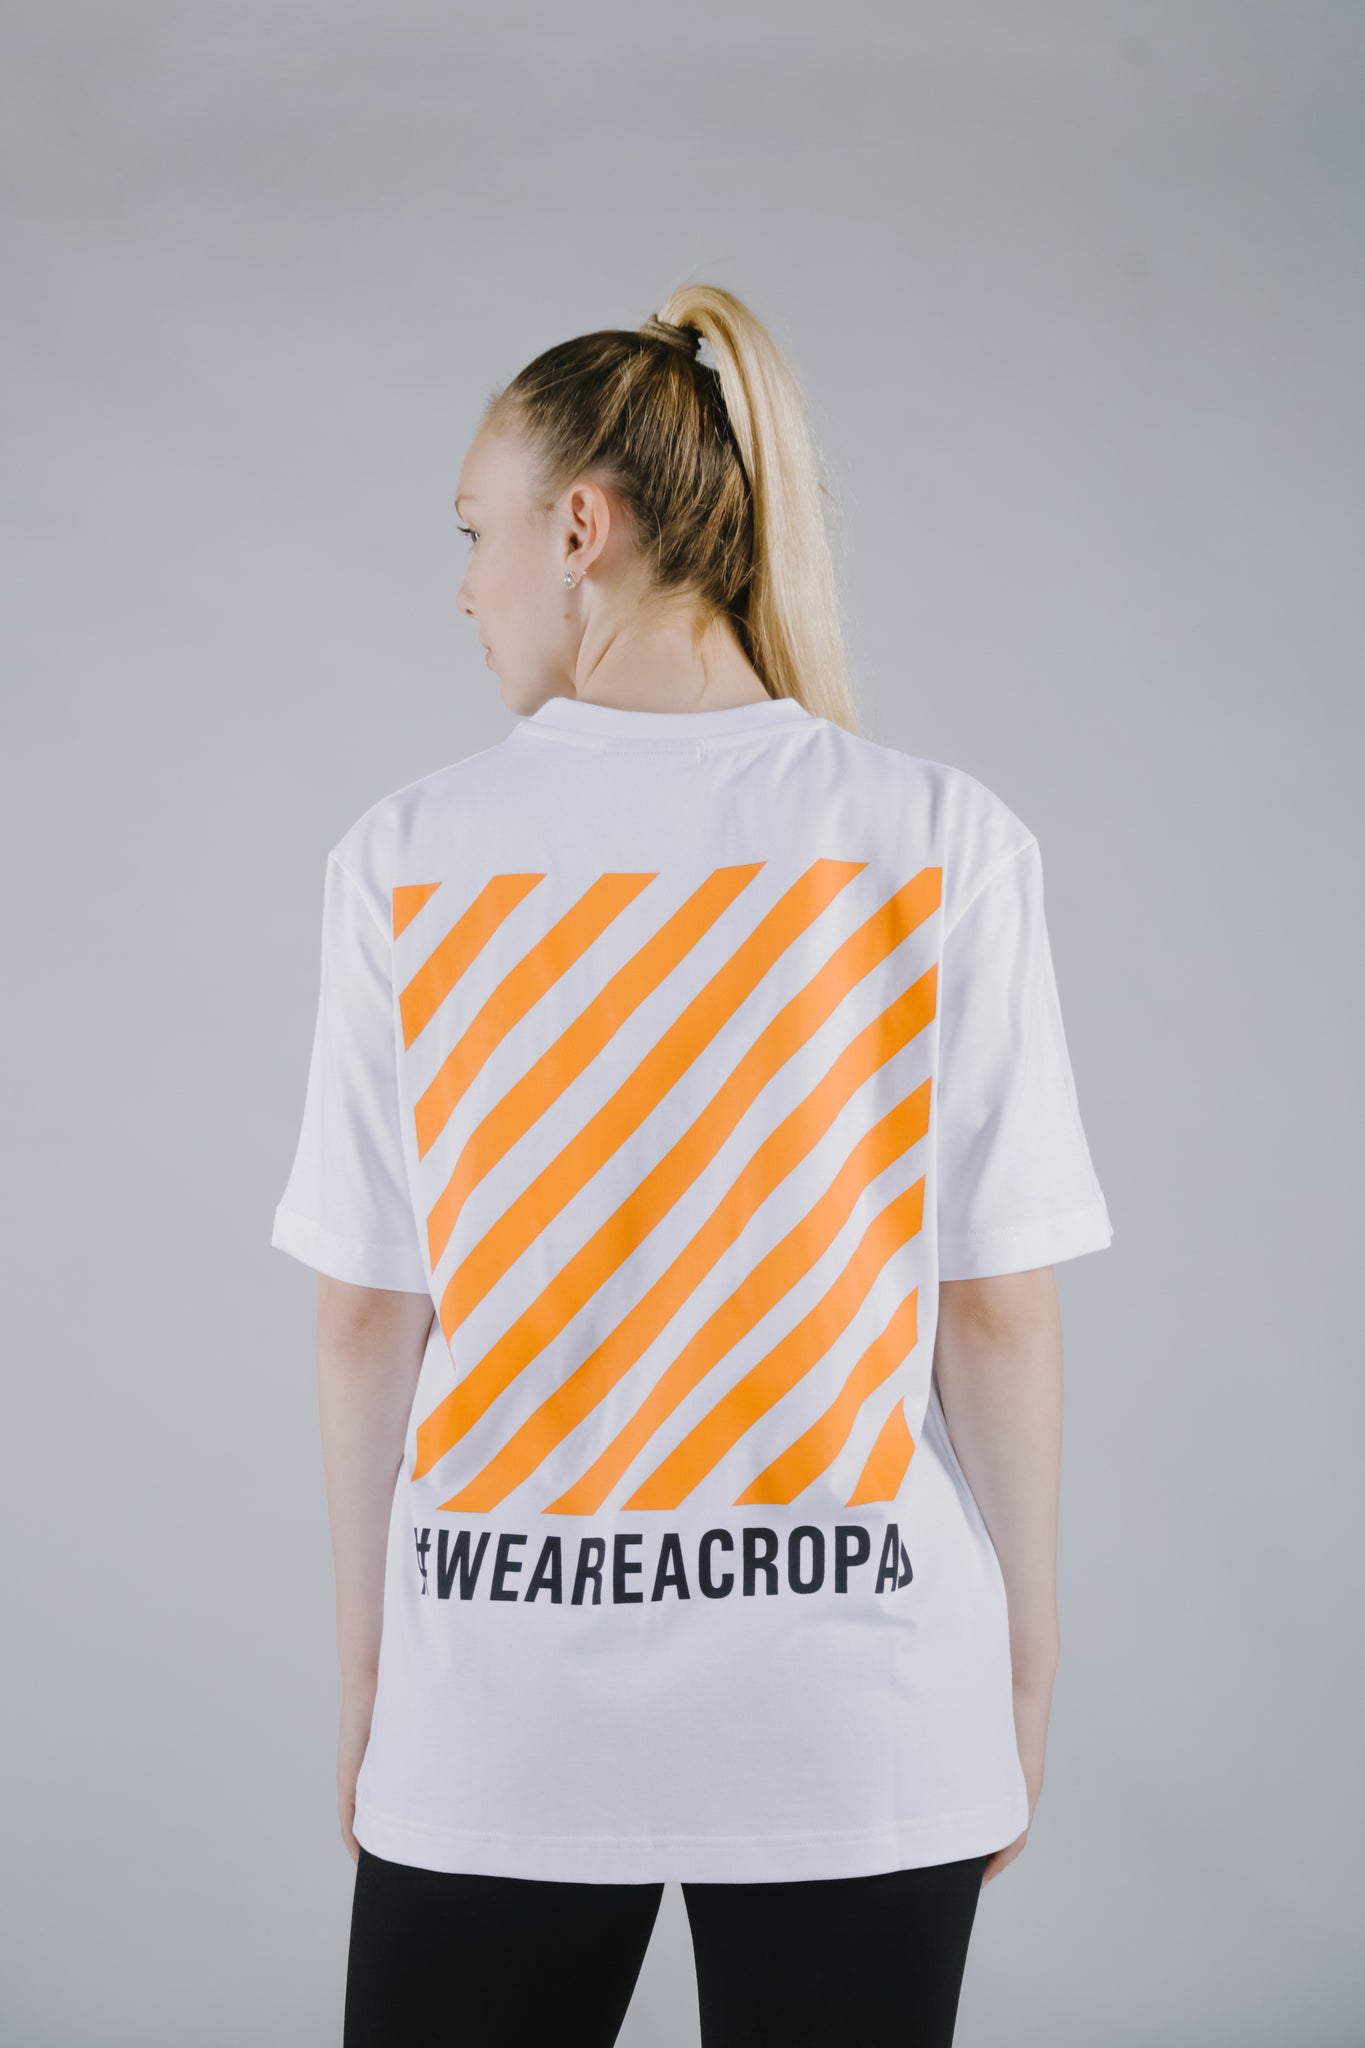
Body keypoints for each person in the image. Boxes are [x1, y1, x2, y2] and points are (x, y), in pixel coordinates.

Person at [270, 283, 1114, 2047]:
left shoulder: (404, 864)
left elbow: (364, 1319)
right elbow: (998, 1310)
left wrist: (370, 1682)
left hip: (498, 1704)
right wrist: (1024, 1668)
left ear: (579, 528)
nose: (464, 586)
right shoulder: (940, 841)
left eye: (475, 532)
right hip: (862, 1704)